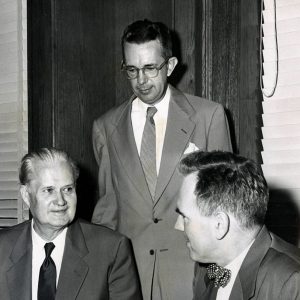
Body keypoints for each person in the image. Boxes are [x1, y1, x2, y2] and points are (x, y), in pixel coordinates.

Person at [91, 19, 232, 299]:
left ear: (169, 65)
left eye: (150, 68)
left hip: (192, 277)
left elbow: (225, 208)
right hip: (129, 279)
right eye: (132, 70)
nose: (141, 81)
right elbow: (107, 211)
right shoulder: (105, 127)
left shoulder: (208, 117)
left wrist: (222, 282)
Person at [0, 148, 142, 300]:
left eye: (67, 189)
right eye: (49, 190)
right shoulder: (3, 247)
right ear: (26, 195)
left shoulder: (111, 249)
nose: (60, 201)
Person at [175, 150, 300, 300]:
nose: (178, 225)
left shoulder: (291, 283)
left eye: (185, 217)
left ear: (220, 225)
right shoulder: (206, 265)